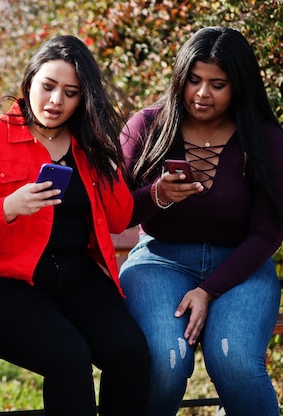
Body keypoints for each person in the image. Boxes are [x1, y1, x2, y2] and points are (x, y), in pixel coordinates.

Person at [0, 35, 150, 415]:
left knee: (130, 352)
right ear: (29, 83)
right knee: (68, 355)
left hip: (75, 279)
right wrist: (9, 207)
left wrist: (108, 162)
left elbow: (121, 218)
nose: (56, 101)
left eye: (71, 92)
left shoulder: (88, 145)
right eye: (48, 86)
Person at [120, 26, 283, 416]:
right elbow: (116, 212)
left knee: (234, 360)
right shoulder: (146, 127)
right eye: (193, 80)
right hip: (159, 263)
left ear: (239, 86)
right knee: (165, 361)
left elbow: (267, 232)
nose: (201, 93)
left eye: (217, 84)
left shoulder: (265, 140)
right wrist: (156, 196)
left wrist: (209, 290)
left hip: (241, 268)